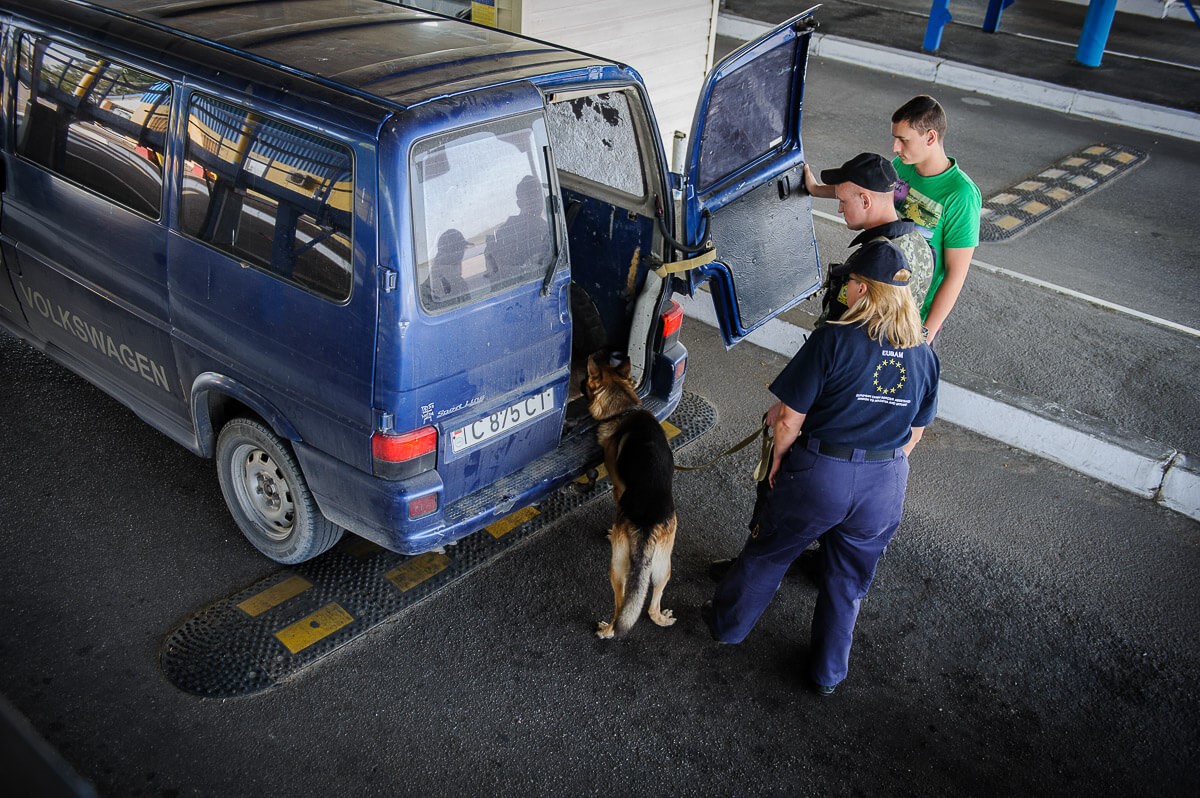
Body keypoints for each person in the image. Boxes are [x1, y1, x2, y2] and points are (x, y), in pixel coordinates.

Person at [701, 243, 939, 698]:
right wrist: (879, 469)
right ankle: (828, 674)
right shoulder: (923, 353)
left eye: (850, 282)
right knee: (847, 581)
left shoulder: (835, 338)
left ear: (866, 292)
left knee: (771, 552)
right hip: (885, 480)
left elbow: (789, 419)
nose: (844, 289)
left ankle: (726, 627)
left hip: (823, 472)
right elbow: (916, 433)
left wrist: (778, 463)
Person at [805, 95, 980, 345]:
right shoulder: (904, 166)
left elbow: (955, 275)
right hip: (878, 298)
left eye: (903, 140)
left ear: (930, 137)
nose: (895, 148)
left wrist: (925, 335)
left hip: (911, 315)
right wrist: (816, 189)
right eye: (895, 138)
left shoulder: (961, 195)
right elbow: (867, 194)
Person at [812, 152, 934, 326]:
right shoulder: (919, 243)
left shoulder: (876, 260)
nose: (840, 209)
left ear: (865, 202)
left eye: (843, 201)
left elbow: (848, 327)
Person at [485, 174, 553, 281]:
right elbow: (500, 275)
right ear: (519, 203)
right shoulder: (506, 233)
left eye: (538, 199)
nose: (536, 204)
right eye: (531, 200)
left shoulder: (549, 228)